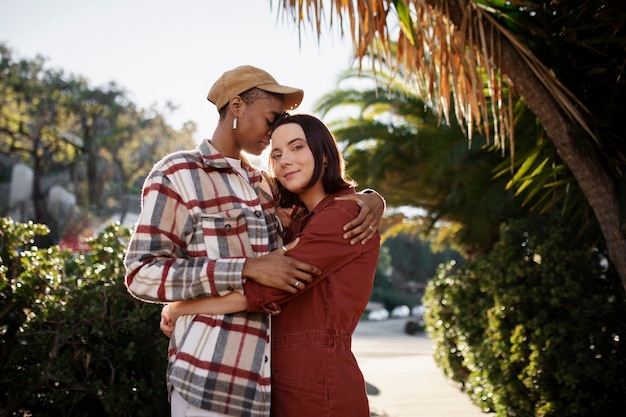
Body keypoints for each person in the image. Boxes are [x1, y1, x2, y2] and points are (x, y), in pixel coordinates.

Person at [124, 65, 385, 417]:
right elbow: (142, 274)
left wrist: (370, 198)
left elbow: (322, 218)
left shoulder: (266, 185)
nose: (274, 132)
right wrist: (245, 268)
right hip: (208, 378)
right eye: (271, 118)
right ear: (236, 107)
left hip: (267, 389)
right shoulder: (177, 174)